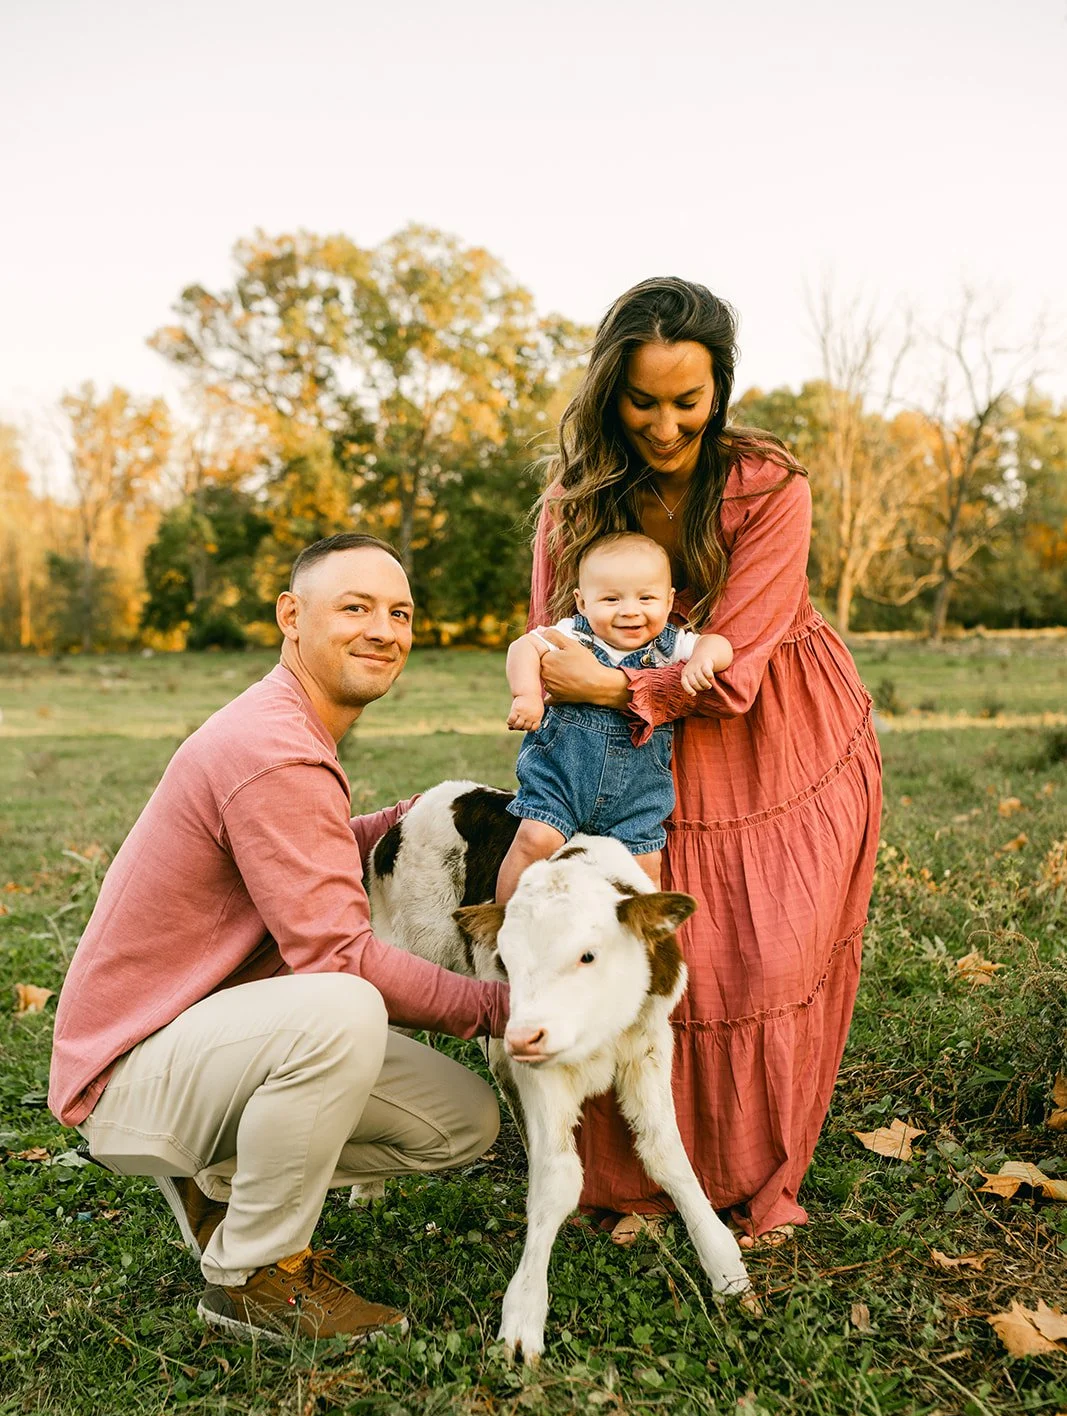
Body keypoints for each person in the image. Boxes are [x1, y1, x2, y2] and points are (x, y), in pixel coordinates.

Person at [48, 533, 507, 1341]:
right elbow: (338, 956)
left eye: (399, 612)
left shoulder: (284, 731)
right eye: (356, 607)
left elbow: (306, 852)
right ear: (291, 616)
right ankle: (255, 1275)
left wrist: (419, 810)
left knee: (463, 1121)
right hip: (130, 1068)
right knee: (342, 1004)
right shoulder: (273, 750)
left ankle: (222, 1179)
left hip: (203, 1040)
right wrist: (498, 1008)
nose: (384, 629)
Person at [525, 278, 881, 1248]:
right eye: (643, 401)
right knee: (639, 942)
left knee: (763, 956)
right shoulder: (576, 501)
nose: (667, 424)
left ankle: (754, 1175)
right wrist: (581, 704)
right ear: (610, 392)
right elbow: (548, 647)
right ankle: (634, 1181)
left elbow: (733, 670)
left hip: (774, 736)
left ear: (720, 387)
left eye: (690, 400)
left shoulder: (769, 485)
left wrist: (610, 687)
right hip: (623, 759)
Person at [497, 530, 732, 898]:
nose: (630, 610)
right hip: (561, 779)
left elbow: (720, 645)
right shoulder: (573, 635)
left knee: (645, 868)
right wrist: (527, 696)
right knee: (533, 840)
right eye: (610, 598)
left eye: (646, 598)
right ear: (582, 602)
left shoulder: (671, 645)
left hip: (636, 796)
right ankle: (504, 923)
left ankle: (644, 942)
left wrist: (704, 657)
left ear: (669, 600)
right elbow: (523, 647)